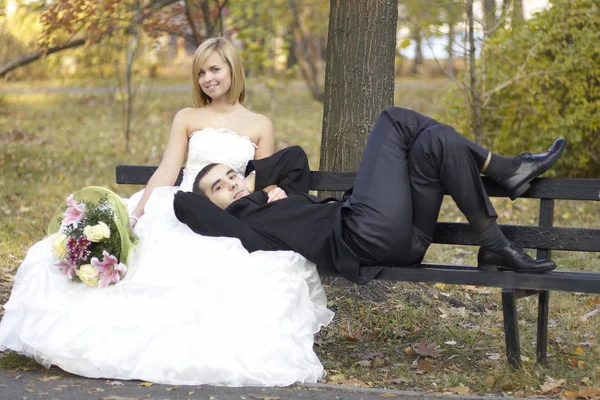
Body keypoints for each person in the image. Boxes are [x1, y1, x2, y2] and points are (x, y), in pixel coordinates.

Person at [0, 37, 333, 386]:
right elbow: (167, 170)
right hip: (183, 204)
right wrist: (137, 214)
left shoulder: (259, 124)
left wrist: (272, 191)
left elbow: (258, 180)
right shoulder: (188, 117)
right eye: (201, 72)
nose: (208, 78)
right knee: (149, 263)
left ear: (233, 69)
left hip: (227, 215)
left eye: (215, 69)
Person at [174, 107, 566, 284]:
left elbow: (294, 159)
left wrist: (260, 185)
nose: (232, 185)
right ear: (214, 206)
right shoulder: (240, 228)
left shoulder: (273, 199)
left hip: (404, 239)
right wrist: (245, 199)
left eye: (231, 176)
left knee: (436, 140)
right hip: (362, 235)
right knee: (393, 120)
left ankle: (493, 238)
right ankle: (507, 173)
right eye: (220, 188)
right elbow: (183, 202)